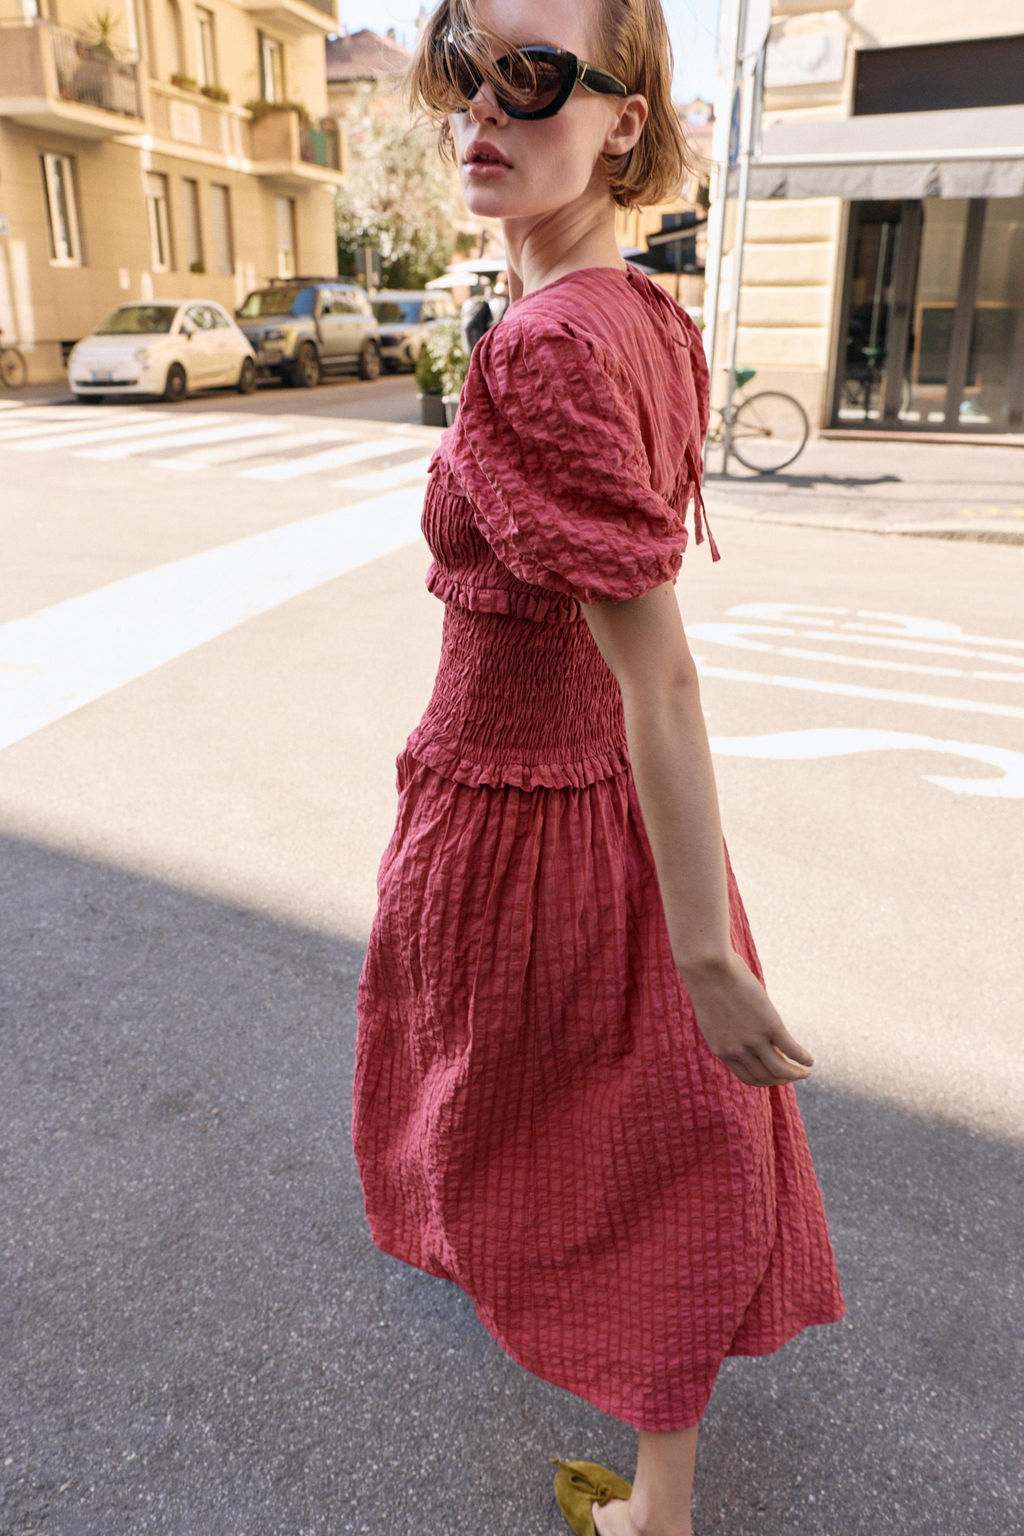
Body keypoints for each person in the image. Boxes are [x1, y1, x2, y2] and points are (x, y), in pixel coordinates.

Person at [352, 3, 844, 1534]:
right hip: (597, 811)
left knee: (545, 1142)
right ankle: (659, 1502)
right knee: (659, 1147)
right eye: (462, 71)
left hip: (527, 824)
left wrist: (705, 950)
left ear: (625, 119)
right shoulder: (637, 313)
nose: (482, 113)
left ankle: (658, 1505)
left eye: (535, 77)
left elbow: (662, 668)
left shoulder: (552, 346)